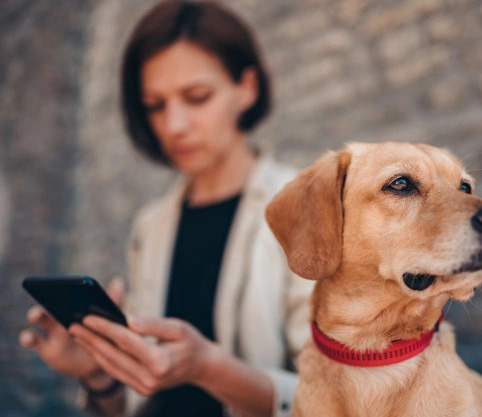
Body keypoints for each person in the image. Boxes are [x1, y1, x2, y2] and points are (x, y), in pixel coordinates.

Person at [19, 1, 313, 416]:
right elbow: (142, 400)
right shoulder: (151, 225)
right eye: (155, 105)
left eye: (196, 97)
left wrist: (209, 368)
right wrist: (100, 374)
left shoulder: (304, 207)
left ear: (246, 88)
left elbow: (340, 393)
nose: (173, 125)